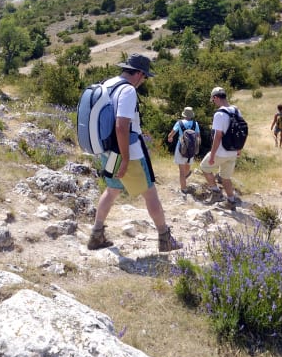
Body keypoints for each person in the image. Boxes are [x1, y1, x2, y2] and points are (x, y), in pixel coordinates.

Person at [87, 53, 181, 252]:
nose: (144, 81)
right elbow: (122, 126)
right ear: (138, 73)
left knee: (112, 191)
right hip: (128, 152)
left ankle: (96, 235)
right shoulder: (128, 91)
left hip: (107, 150)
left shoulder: (108, 84)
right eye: (145, 76)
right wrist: (126, 160)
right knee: (150, 194)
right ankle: (165, 239)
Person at [199, 86, 240, 211]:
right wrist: (239, 149)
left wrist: (212, 155)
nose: (213, 103)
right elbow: (241, 131)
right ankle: (231, 201)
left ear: (216, 97)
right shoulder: (236, 110)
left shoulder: (219, 114)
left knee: (204, 167)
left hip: (221, 151)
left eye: (213, 100)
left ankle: (216, 192)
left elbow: (217, 136)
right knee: (225, 177)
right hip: (233, 151)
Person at [167, 106, 200, 194]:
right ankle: (185, 177)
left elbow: (172, 134)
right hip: (191, 149)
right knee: (187, 167)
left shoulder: (179, 123)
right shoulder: (195, 124)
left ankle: (183, 189)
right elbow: (198, 137)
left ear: (184, 114)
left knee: (181, 170)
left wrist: (169, 138)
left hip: (181, 148)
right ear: (191, 115)